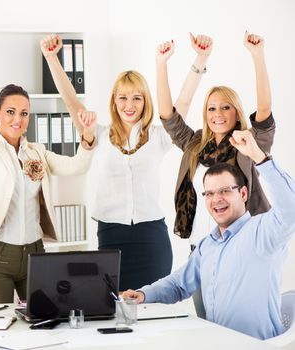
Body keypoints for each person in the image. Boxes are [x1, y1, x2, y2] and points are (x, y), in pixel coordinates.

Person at [40, 34, 209, 291]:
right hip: (111, 236)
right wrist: (52, 57)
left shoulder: (158, 136)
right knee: (114, 307)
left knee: (151, 308)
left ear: (145, 102)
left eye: (137, 98)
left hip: (151, 238)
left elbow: (183, 101)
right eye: (123, 98)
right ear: (114, 101)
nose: (129, 105)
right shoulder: (97, 134)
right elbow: (70, 100)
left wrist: (200, 58)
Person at [122, 131, 295, 340]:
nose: (216, 200)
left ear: (243, 194)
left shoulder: (263, 232)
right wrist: (144, 294)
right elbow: (178, 284)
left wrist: (260, 158)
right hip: (217, 342)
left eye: (224, 191)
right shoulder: (208, 246)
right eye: (209, 194)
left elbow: (290, 209)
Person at [156, 32, 274, 317]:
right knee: (207, 325)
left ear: (237, 112)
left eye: (225, 107)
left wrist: (257, 56)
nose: (217, 113)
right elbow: (168, 116)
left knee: (236, 325)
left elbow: (266, 111)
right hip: (202, 249)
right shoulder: (195, 144)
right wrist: (161, 63)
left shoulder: (247, 144)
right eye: (211, 108)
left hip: (240, 247)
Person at [0, 66, 97, 303]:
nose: (17, 119)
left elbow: (76, 167)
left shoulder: (37, 153)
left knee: (43, 323)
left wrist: (88, 135)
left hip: (35, 254)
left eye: (24, 113)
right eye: (10, 112)